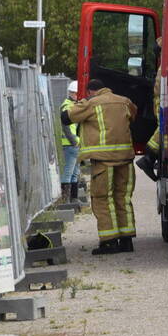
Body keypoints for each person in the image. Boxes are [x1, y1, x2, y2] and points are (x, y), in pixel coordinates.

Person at [63, 79, 138, 255]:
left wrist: (82, 102)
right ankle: (127, 241)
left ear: (90, 91)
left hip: (104, 161)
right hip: (126, 159)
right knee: (123, 198)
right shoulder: (124, 101)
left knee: (103, 199)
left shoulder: (92, 103)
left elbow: (65, 117)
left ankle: (109, 242)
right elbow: (135, 115)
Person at [59, 81, 81, 202]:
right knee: (68, 172)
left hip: (74, 144)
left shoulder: (72, 105)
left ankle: (73, 199)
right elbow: (66, 126)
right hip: (70, 144)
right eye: (75, 93)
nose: (77, 96)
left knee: (74, 172)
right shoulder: (67, 106)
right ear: (71, 93)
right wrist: (74, 141)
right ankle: (66, 200)